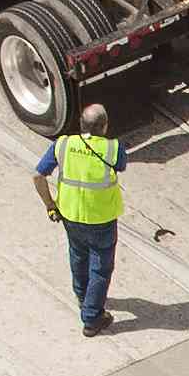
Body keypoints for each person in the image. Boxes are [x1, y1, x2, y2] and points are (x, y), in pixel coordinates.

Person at [34, 118, 127, 336]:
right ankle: (92, 318)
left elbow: (38, 175)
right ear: (104, 126)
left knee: (78, 255)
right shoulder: (113, 148)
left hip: (70, 215)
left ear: (81, 125)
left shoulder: (63, 144)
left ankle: (82, 296)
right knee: (101, 268)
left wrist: (50, 205)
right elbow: (121, 165)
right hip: (101, 219)